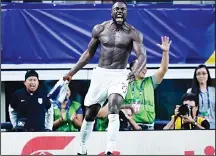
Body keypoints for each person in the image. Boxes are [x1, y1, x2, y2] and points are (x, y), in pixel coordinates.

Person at [63, 1, 147, 155]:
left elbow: (142, 56)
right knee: (90, 113)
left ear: (127, 12)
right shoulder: (100, 29)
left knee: (114, 107)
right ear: (111, 12)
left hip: (120, 74)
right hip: (101, 74)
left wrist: (134, 72)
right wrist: (72, 72)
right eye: (117, 9)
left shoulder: (133, 33)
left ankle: (110, 148)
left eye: (123, 9)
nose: (120, 11)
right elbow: (88, 53)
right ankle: (82, 146)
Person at [122, 36, 172, 130]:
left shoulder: (150, 82)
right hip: (130, 126)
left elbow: (163, 69)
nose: (145, 68)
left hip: (149, 127)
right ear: (132, 69)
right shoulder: (124, 84)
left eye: (145, 66)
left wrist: (165, 52)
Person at [187, 64, 215, 129]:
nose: (201, 76)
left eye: (204, 73)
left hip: (213, 126)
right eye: (198, 74)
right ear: (196, 76)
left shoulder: (213, 91)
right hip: (197, 126)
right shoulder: (190, 91)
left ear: (208, 75)